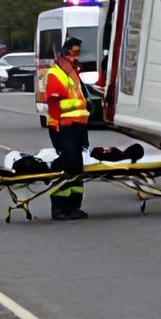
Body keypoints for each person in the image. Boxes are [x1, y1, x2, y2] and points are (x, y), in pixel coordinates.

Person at [45, 37, 91, 220]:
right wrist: (56, 127)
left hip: (77, 127)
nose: (76, 58)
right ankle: (59, 208)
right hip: (63, 127)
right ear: (65, 54)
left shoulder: (72, 74)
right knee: (67, 166)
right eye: (74, 53)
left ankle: (73, 206)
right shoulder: (55, 74)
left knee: (76, 167)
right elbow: (55, 104)